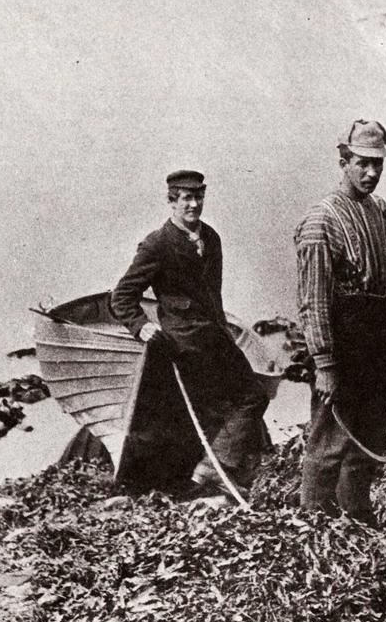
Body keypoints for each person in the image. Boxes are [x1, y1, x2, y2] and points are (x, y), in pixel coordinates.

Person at [110, 170, 269, 496]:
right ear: (171, 202)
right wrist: (143, 327)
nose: (194, 205)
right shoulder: (157, 244)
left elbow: (215, 295)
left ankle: (210, 470)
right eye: (186, 199)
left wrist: (223, 332)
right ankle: (208, 473)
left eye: (198, 197)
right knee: (231, 401)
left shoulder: (211, 238)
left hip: (214, 338)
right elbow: (121, 297)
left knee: (254, 396)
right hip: (182, 344)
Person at [294, 120, 386, 525]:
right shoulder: (320, 222)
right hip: (341, 344)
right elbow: (313, 300)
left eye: (378, 164)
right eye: (362, 163)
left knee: (367, 437)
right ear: (343, 161)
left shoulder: (380, 211)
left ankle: (357, 518)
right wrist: (324, 364)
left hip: (376, 343)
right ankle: (316, 526)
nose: (372, 173)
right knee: (329, 439)